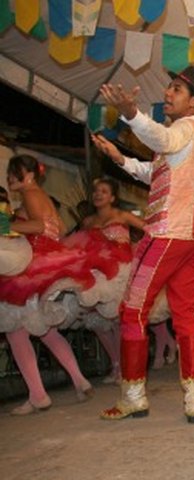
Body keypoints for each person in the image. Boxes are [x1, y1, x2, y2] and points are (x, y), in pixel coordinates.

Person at [92, 65, 194, 423]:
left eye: (177, 89)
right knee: (185, 316)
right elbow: (158, 169)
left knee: (132, 312)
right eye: (169, 87)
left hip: (166, 235)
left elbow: (163, 140)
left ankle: (133, 396)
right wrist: (120, 159)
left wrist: (131, 114)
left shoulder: (184, 128)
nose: (167, 94)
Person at [0, 154, 96, 415]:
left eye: (13, 172)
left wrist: (7, 224)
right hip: (47, 260)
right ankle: (80, 380)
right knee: (44, 331)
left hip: (33, 267)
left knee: (16, 331)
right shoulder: (40, 194)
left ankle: (38, 396)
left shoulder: (31, 193)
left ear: (28, 175)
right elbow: (61, 228)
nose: (9, 177)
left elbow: (40, 226)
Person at [64, 177, 145, 383]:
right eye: (96, 191)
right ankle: (116, 363)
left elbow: (150, 230)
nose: (98, 194)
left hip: (121, 271)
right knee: (97, 322)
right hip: (97, 273)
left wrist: (137, 249)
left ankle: (126, 367)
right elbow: (79, 244)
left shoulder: (122, 215)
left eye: (103, 191)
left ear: (113, 197)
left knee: (119, 320)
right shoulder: (88, 222)